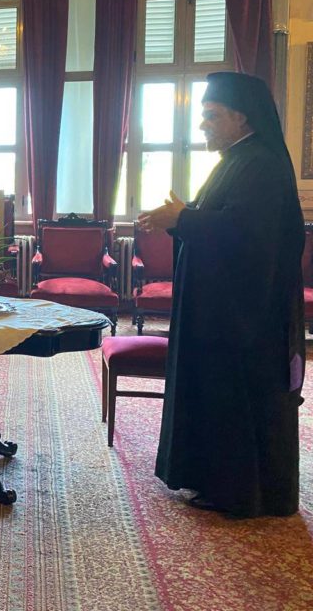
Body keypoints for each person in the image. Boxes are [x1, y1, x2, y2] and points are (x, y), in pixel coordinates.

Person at [139, 72, 304, 518]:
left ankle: (240, 492)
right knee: (213, 393)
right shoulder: (237, 159)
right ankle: (213, 481)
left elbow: (248, 236)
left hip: (244, 320)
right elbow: (221, 222)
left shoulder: (262, 164)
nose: (203, 126)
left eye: (211, 117)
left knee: (233, 398)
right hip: (219, 311)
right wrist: (182, 218)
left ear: (241, 117)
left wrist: (185, 218)